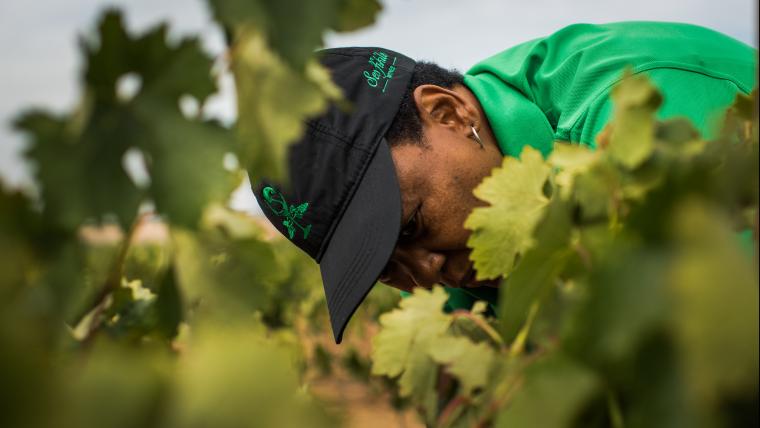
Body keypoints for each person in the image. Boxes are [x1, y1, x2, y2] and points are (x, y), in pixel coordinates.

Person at [252, 21, 757, 344]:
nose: (428, 278)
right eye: (385, 268)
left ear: (449, 113)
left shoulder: (638, 113)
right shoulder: (462, 252)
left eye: (408, 228)